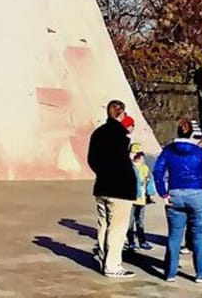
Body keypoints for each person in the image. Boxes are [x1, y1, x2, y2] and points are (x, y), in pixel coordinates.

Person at [152, 118, 202, 284]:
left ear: (178, 132)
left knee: (174, 236)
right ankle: (201, 274)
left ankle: (170, 273)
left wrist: (163, 193)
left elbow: (157, 171)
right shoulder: (199, 152)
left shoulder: (168, 150)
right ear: (191, 133)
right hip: (197, 194)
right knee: (198, 236)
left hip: (175, 193)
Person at [86, 99, 137, 278]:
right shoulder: (121, 137)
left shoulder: (98, 133)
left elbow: (91, 159)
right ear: (121, 113)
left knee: (103, 224)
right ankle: (113, 265)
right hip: (120, 189)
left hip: (102, 186)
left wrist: (102, 172)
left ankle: (103, 257)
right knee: (117, 228)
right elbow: (122, 163)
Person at [125, 143, 156, 251]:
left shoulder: (145, 168)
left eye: (140, 154)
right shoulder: (128, 167)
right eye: (135, 154)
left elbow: (150, 182)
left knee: (140, 221)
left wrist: (151, 194)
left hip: (141, 200)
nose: (138, 157)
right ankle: (131, 241)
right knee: (130, 222)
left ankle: (142, 241)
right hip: (130, 199)